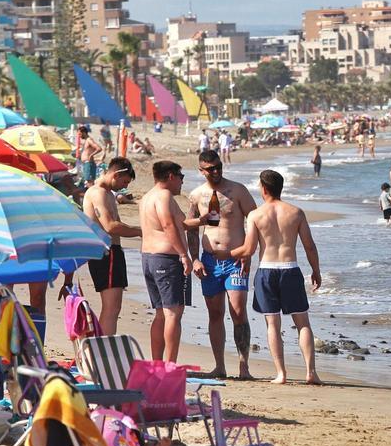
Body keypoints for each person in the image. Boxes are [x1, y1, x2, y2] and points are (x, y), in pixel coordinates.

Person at [230, 169, 322, 385]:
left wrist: (228, 254)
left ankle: (281, 374)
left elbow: (249, 248)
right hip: (290, 269)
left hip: (267, 270)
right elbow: (309, 245)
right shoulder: (296, 212)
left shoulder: (255, 215)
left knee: (273, 325)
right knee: (303, 324)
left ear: (263, 189)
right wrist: (316, 270)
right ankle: (311, 373)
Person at [185, 150, 258, 379]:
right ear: (201, 170)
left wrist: (248, 253)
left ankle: (243, 366)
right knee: (215, 313)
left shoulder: (237, 190)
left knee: (238, 311)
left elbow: (256, 221)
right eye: (210, 169)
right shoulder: (196, 195)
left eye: (218, 167)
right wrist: (194, 258)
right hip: (209, 261)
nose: (216, 171)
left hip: (235, 260)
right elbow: (191, 228)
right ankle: (220, 366)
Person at [138, 161, 192, 362]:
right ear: (171, 176)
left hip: (149, 258)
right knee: (173, 314)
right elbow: (168, 225)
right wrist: (184, 255)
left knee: (161, 313)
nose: (181, 182)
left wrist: (200, 220)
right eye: (181, 177)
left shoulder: (146, 197)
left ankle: (157, 362)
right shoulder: (163, 196)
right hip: (166, 260)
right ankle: (169, 364)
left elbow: (176, 224)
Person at [83, 158, 141, 335]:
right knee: (111, 308)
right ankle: (102, 351)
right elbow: (110, 226)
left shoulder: (108, 193)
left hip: (112, 253)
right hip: (105, 253)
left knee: (113, 308)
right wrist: (141, 230)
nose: (123, 187)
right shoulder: (98, 193)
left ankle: (102, 348)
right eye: (123, 182)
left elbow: (116, 224)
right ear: (115, 174)